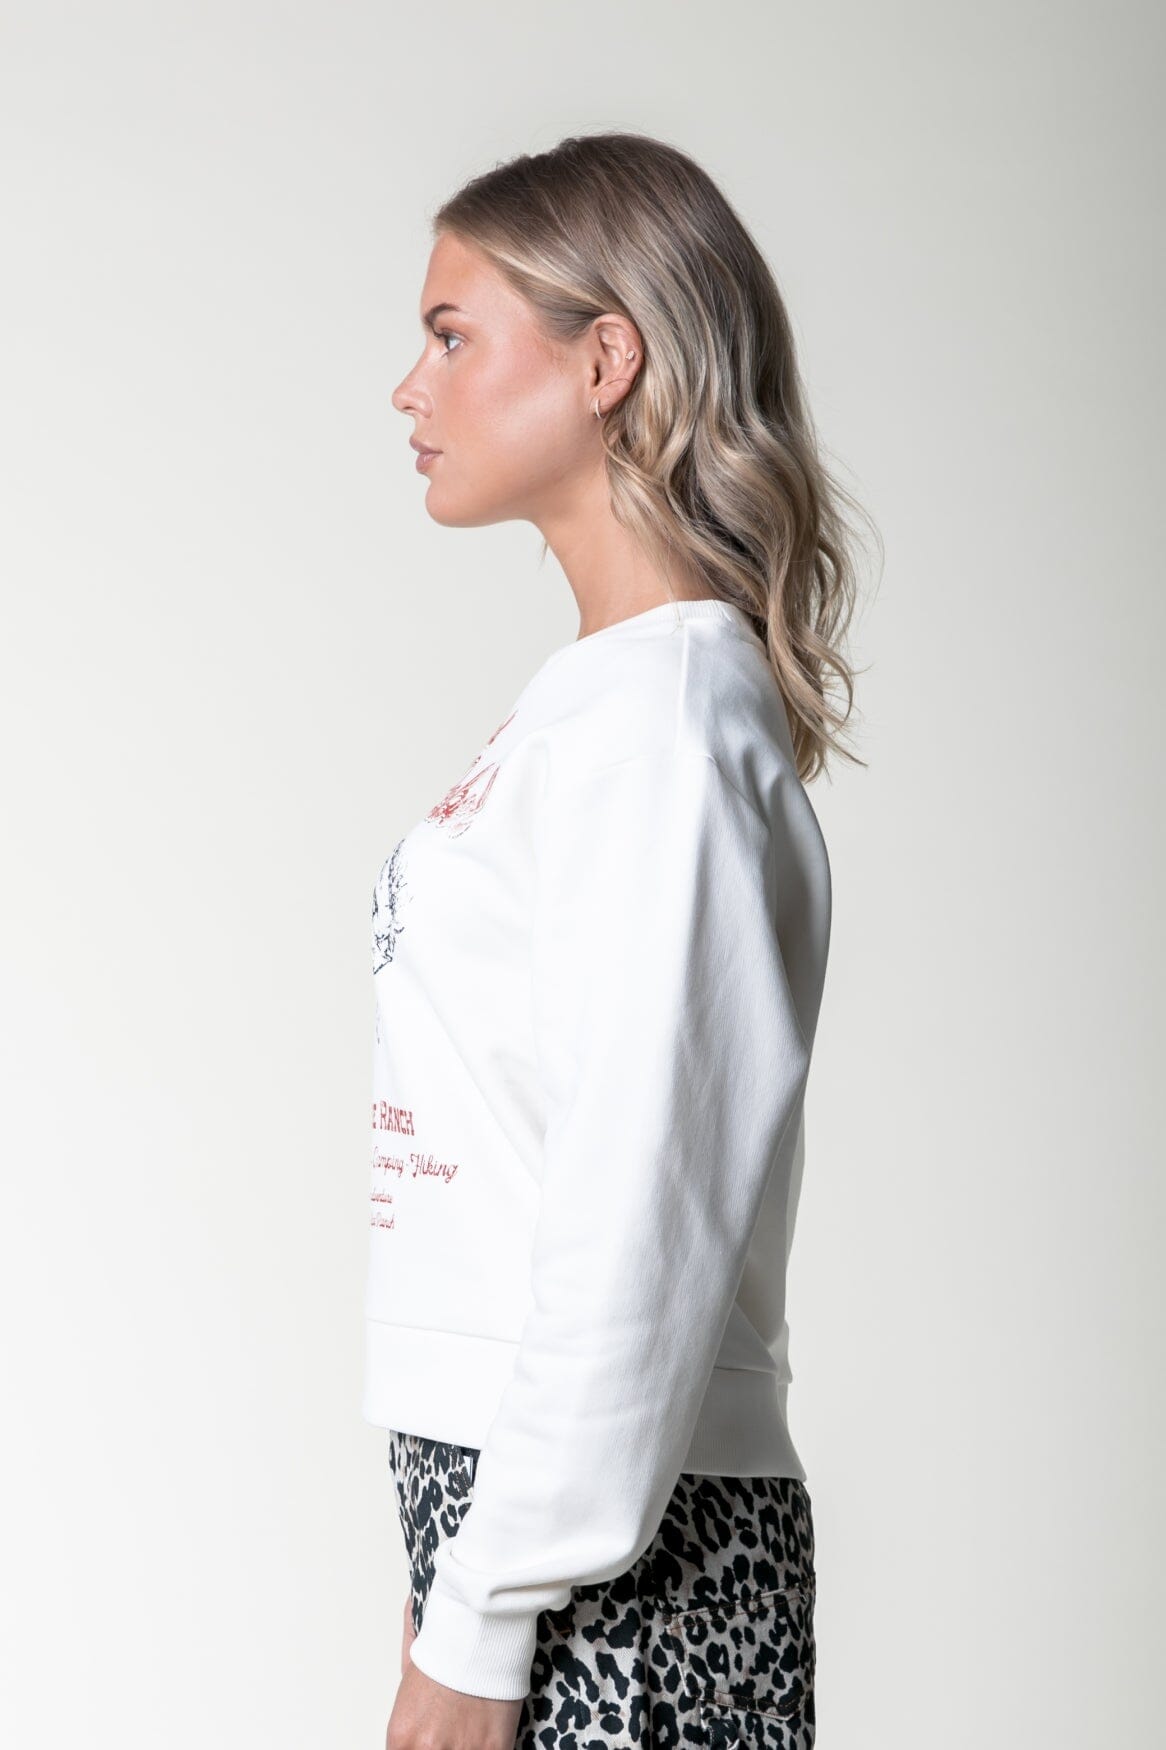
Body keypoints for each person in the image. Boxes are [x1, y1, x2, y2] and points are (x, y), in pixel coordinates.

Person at [366, 130, 871, 1750]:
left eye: (453, 335)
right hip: (545, 1522)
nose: (410, 387)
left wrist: (488, 1603)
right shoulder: (599, 704)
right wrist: (467, 1567)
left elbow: (637, 1193)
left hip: (621, 1560)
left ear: (605, 360)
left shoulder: (662, 721)